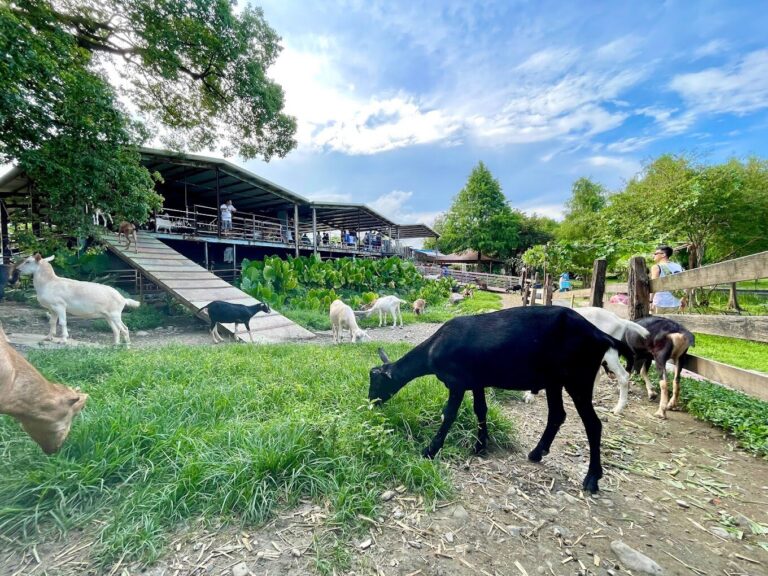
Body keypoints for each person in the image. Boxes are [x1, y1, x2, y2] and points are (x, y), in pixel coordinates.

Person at [650, 245, 684, 313]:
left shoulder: (656, 267)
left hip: (659, 303)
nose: (654, 255)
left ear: (663, 254)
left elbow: (653, 286)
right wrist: (683, 299)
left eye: (655, 253)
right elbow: (687, 284)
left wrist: (650, 301)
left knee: (656, 323)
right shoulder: (678, 266)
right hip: (675, 303)